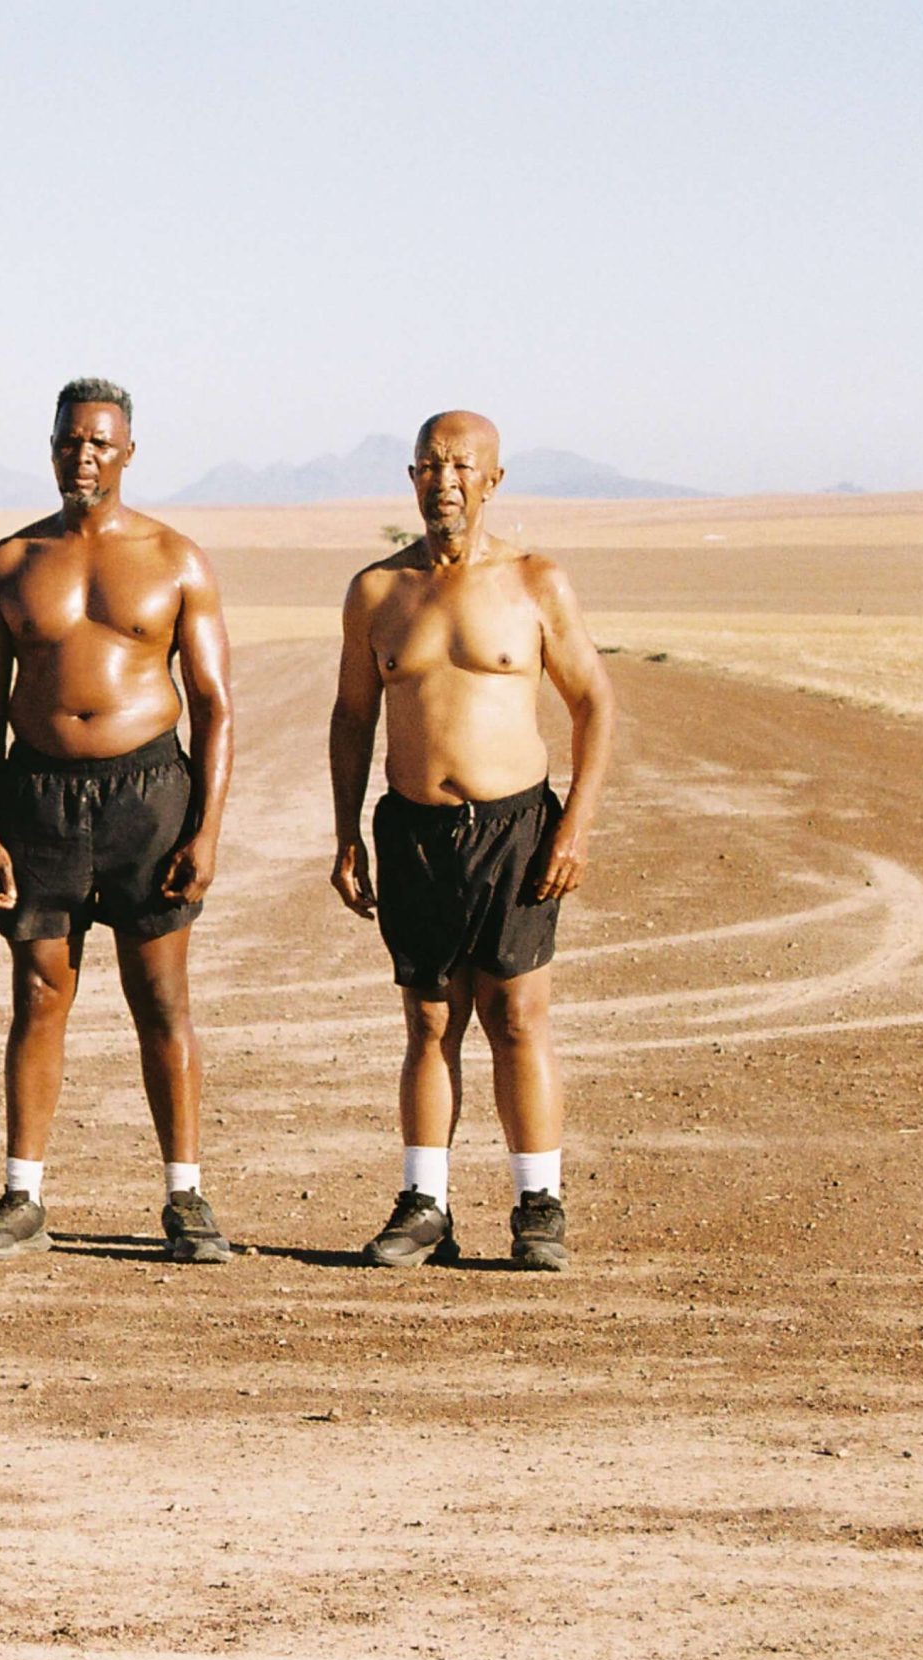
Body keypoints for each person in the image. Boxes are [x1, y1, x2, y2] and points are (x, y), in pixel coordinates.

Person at [0, 378, 236, 1264]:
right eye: (70, 441)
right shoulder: (9, 563)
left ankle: (185, 1198)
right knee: (39, 995)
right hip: (38, 798)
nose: (84, 455)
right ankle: (21, 1196)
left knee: (161, 998)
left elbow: (215, 705)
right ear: (51, 448)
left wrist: (207, 831)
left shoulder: (175, 558)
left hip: (149, 797)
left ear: (127, 452)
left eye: (101, 442)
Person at [329, 410, 615, 1272]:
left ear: (492, 481)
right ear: (410, 479)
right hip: (412, 828)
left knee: (518, 1017)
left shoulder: (535, 582)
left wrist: (576, 826)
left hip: (516, 828)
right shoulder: (377, 592)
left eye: (461, 467)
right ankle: (424, 1206)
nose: (443, 481)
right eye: (427, 466)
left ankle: (539, 1206)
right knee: (428, 1019)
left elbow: (594, 703)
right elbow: (352, 716)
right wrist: (347, 834)